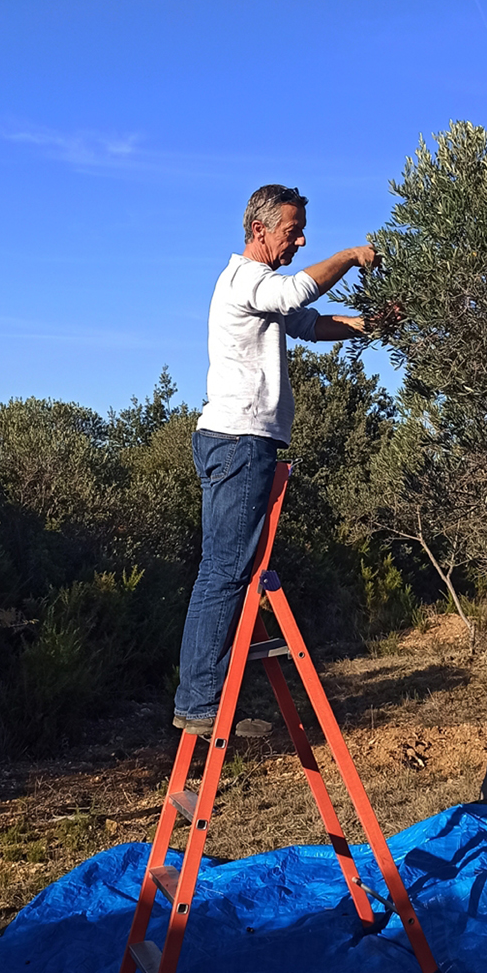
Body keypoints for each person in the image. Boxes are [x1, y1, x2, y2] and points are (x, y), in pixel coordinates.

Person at [173, 183, 378, 735]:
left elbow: (310, 324)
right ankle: (201, 703)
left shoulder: (258, 289)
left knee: (226, 569)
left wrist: (373, 323)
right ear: (259, 230)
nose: (301, 240)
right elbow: (295, 295)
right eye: (293, 231)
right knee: (225, 570)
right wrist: (349, 256)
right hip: (240, 440)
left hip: (239, 440)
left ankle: (203, 699)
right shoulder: (246, 279)